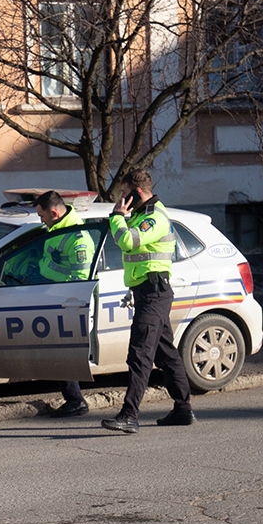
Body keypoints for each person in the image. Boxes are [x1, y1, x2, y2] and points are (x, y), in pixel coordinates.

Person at [101, 170, 194, 434]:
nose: (121, 199)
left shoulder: (154, 217)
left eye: (124, 193)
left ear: (138, 193)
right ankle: (183, 409)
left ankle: (129, 415)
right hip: (148, 292)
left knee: (140, 353)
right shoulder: (143, 214)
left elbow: (128, 242)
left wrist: (117, 217)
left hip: (153, 292)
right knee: (166, 352)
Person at [33, 191, 95, 418]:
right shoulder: (56, 229)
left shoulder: (77, 238)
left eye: (42, 216)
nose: (40, 220)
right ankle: (73, 398)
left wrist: (64, 302)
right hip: (52, 296)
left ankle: (75, 400)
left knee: (63, 353)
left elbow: (81, 280)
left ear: (54, 212)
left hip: (67, 302)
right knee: (57, 351)